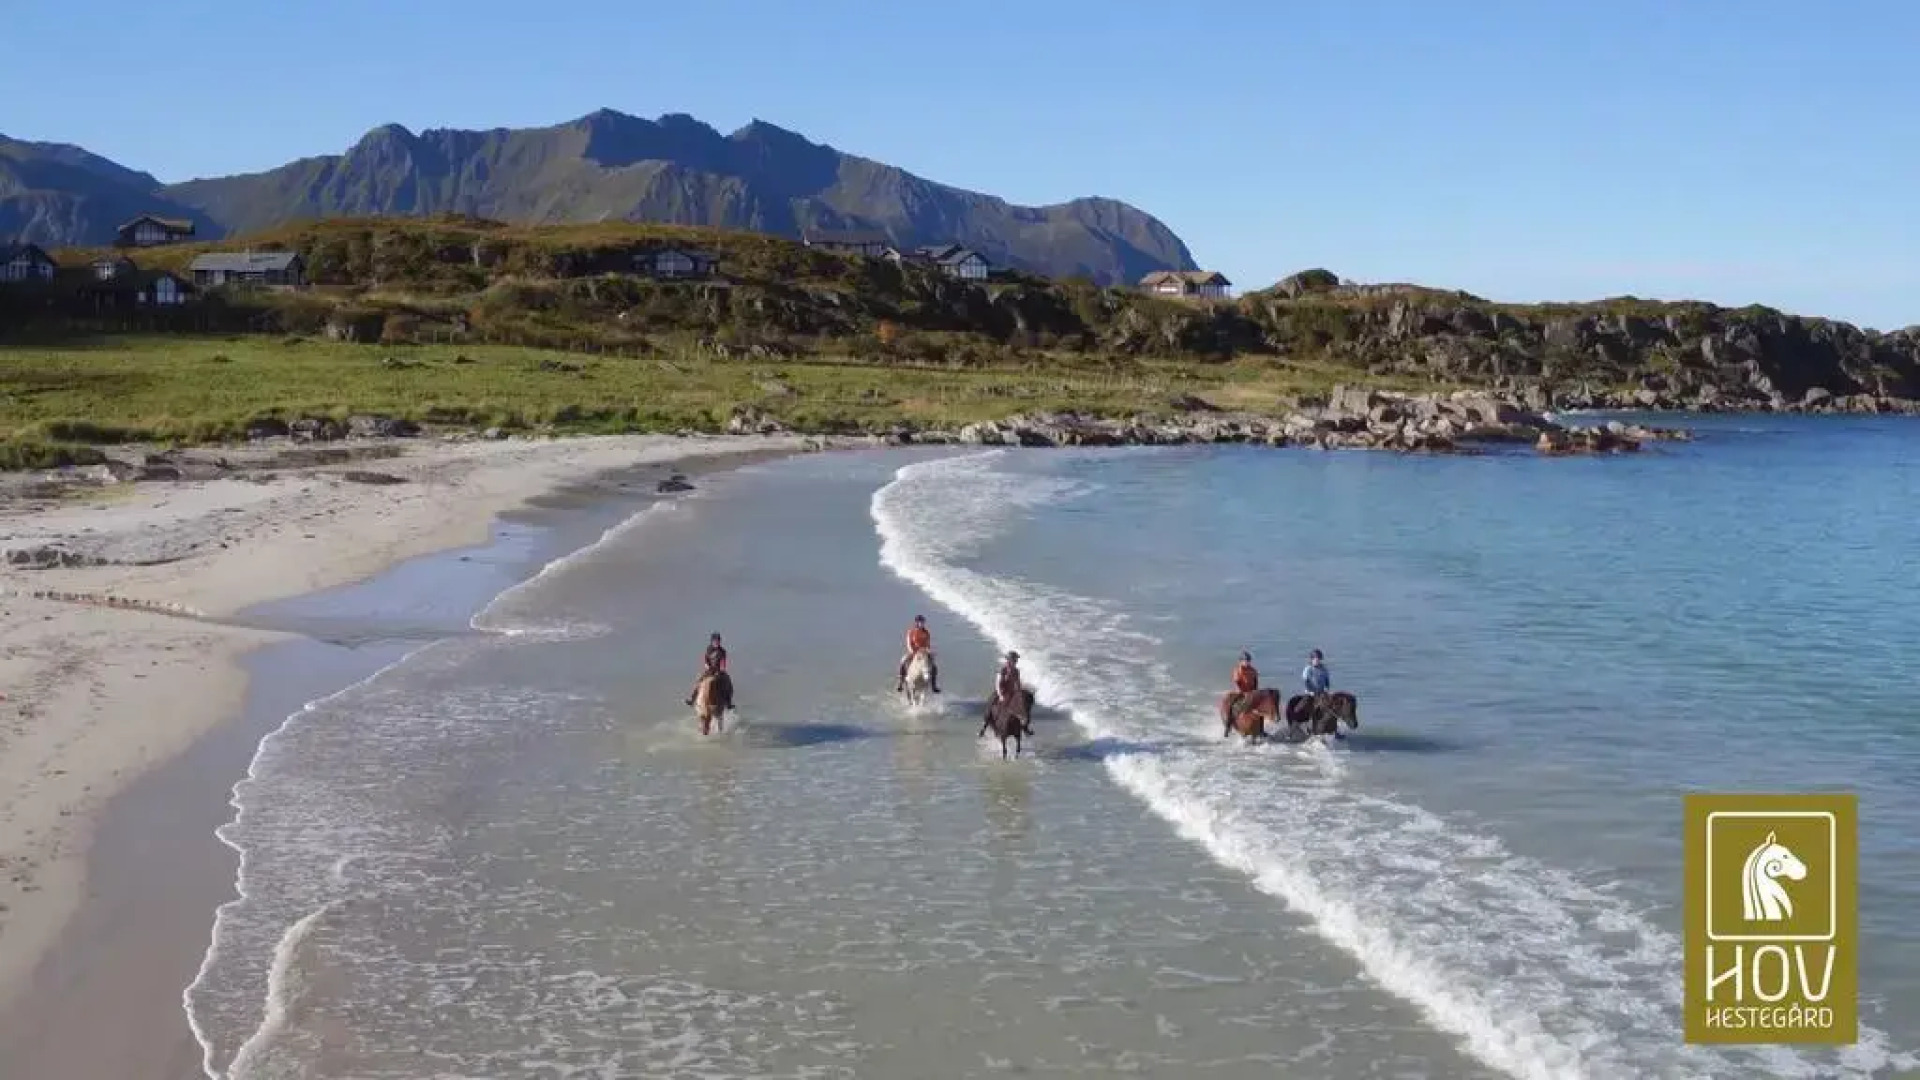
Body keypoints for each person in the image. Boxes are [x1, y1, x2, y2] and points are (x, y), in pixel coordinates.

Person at [896, 614, 941, 694]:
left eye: (923, 622)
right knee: (903, 661)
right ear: (917, 622)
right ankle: (901, 683)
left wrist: (929, 651)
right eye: (921, 622)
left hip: (923, 652)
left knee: (934, 666)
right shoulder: (911, 631)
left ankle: (934, 685)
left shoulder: (926, 632)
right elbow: (909, 643)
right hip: (914, 652)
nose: (922, 624)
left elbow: (927, 644)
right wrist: (911, 650)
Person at [686, 632, 732, 710]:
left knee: (728, 682)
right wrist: (707, 665)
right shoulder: (709, 649)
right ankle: (692, 699)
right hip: (709, 670)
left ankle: (728, 703)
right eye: (715, 641)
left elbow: (723, 661)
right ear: (712, 641)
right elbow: (706, 659)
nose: (717, 642)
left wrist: (722, 669)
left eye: (718, 641)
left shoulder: (722, 651)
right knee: (699, 680)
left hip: (719, 670)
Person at [1226, 650, 1259, 721]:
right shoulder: (1237, 670)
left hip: (1250, 692)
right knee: (1231, 704)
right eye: (1245, 660)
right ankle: (1229, 722)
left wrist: (1255, 692)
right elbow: (1236, 682)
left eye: (1248, 660)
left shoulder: (1253, 670)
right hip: (1239, 691)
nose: (1247, 662)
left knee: (1260, 704)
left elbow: (1256, 682)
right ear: (1241, 661)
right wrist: (1240, 692)